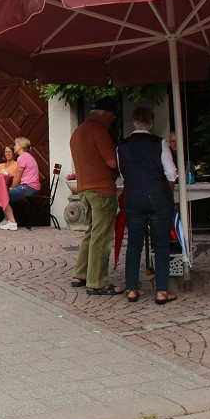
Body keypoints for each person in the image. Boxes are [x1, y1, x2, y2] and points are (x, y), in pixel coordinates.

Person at [117, 107, 177, 305]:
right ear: (151, 124)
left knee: (134, 242)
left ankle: (132, 289)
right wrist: (166, 191)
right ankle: (161, 291)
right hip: (158, 195)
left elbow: (123, 174)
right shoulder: (159, 142)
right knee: (161, 243)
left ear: (133, 123)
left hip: (133, 196)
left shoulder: (121, 146)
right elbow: (171, 173)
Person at [69, 97, 123, 295]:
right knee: (102, 236)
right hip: (101, 189)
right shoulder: (98, 131)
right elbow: (112, 162)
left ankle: (80, 274)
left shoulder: (78, 131)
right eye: (113, 117)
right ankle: (97, 281)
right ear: (107, 114)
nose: (112, 121)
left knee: (91, 233)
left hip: (84, 189)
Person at [0, 138, 41, 231]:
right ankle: (7, 220)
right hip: (31, 187)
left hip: (28, 187)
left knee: (3, 195)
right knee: (4, 194)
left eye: (15, 145)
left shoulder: (22, 157)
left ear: (20, 146)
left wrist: (12, 188)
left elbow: (17, 176)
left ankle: (12, 222)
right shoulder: (27, 156)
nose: (14, 147)